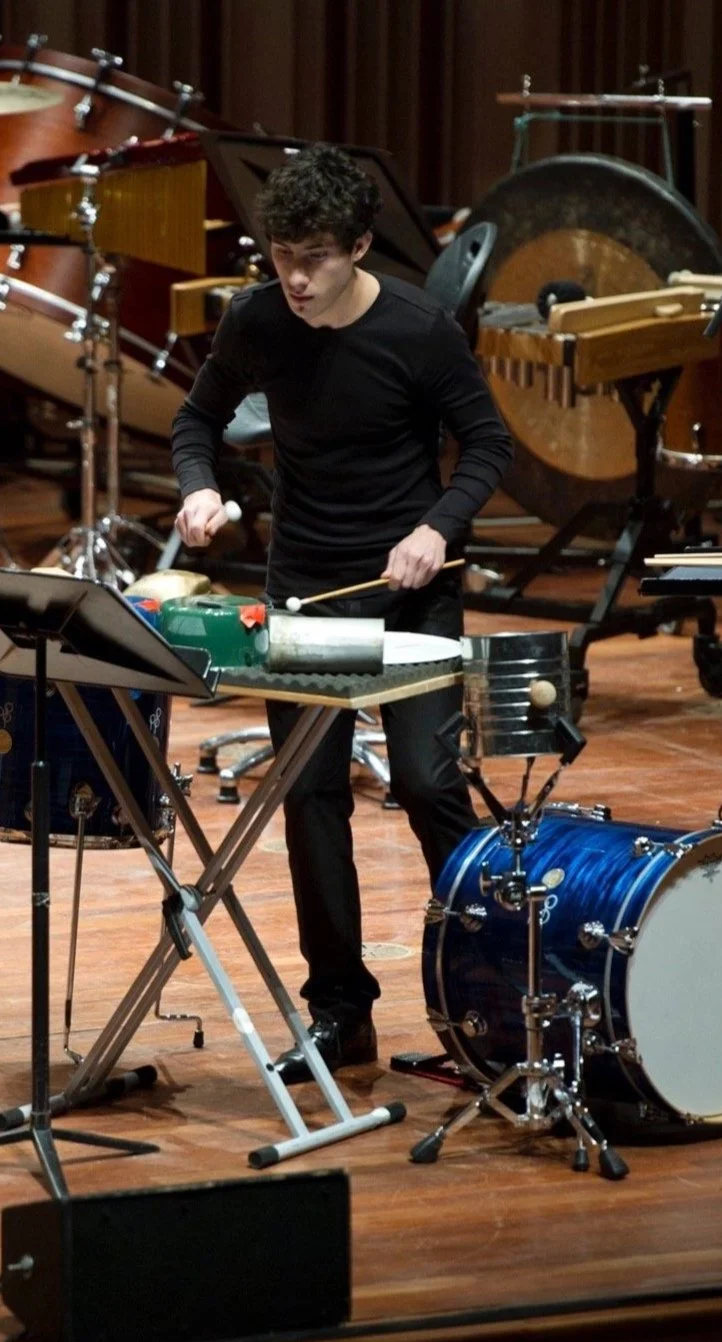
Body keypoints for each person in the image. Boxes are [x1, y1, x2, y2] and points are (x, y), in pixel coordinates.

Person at [172, 143, 512, 1083]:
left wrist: (439, 529)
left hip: (412, 593)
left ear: (359, 246)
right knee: (311, 796)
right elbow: (196, 422)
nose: (294, 277)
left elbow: (488, 445)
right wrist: (199, 489)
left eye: (314, 256)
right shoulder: (259, 319)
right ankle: (340, 1013)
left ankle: (487, 995)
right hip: (305, 588)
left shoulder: (419, 328)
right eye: (280, 255)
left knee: (427, 783)